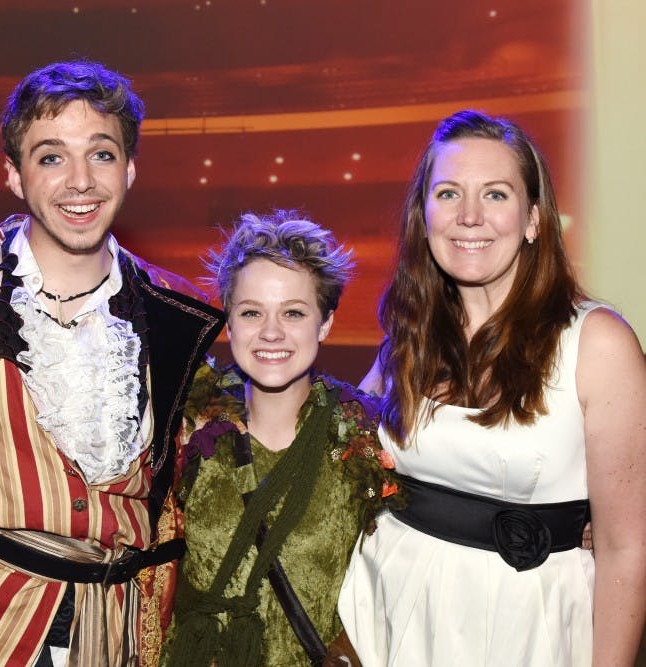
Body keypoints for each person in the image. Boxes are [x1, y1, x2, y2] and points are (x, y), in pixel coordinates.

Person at [0, 60, 224, 667]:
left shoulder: (180, 316)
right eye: (51, 156)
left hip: (116, 634)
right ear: (14, 174)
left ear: (131, 168)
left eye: (103, 154)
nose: (80, 181)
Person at [338, 110, 646, 665]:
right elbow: (338, 452)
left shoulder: (597, 344)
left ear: (533, 219)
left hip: (528, 633)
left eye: (496, 195)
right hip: (388, 617)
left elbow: (627, 549)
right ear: (423, 215)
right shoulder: (410, 335)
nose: (470, 216)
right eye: (449, 193)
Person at [162, 211, 402, 667]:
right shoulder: (180, 427)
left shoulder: (368, 441)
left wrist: (578, 520)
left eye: (293, 312)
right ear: (228, 324)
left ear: (325, 323)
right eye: (251, 312)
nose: (271, 332)